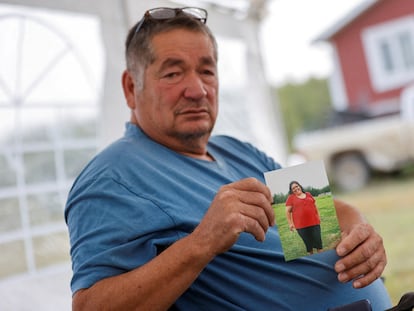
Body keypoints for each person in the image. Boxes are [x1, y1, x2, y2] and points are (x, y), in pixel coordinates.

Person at [65, 7, 391, 310]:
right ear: (130, 88)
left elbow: (328, 220)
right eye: (173, 74)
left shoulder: (238, 150)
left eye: (206, 71)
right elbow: (90, 305)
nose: (197, 90)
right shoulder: (111, 177)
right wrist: (202, 243)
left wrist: (359, 237)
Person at [286, 181, 323, 255]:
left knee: (319, 244)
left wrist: (318, 217)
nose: (296, 188)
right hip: (301, 226)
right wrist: (290, 224)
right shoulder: (291, 198)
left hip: (314, 223)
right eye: (293, 188)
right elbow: (287, 212)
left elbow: (314, 206)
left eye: (297, 186)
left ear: (300, 186)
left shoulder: (308, 194)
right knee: (309, 246)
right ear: (292, 191)